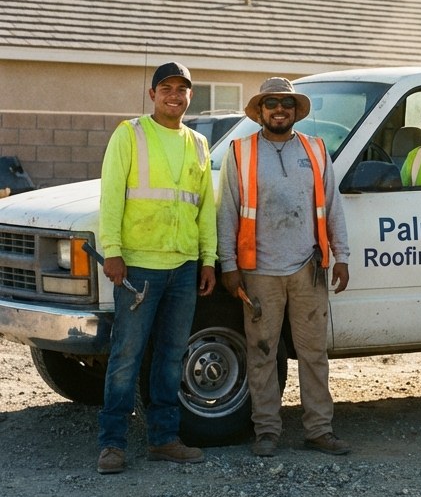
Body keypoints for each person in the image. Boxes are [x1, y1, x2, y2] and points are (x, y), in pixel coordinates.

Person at [217, 77, 352, 458]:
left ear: (295, 112)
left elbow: (333, 206)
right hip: (258, 272)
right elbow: (226, 211)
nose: (279, 110)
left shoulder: (314, 150)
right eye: (271, 103)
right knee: (262, 353)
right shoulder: (240, 152)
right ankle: (266, 431)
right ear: (260, 112)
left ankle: (319, 430)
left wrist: (341, 255)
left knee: (313, 354)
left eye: (286, 104)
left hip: (308, 269)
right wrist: (229, 265)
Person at [96, 61, 217, 474]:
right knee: (126, 356)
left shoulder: (199, 144)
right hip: (138, 271)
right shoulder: (129, 134)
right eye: (166, 88)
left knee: (170, 357)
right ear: (152, 94)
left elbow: (206, 210)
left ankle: (164, 439)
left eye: (182, 89)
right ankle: (112, 444)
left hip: (183, 267)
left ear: (189, 97)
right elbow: (111, 195)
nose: (174, 95)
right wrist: (112, 250)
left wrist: (208, 260)